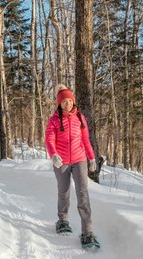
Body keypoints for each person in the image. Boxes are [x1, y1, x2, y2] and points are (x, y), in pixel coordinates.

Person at [45, 84, 99, 248]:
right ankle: (63, 220)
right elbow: (49, 139)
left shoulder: (80, 118)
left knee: (83, 193)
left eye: (69, 100)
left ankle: (88, 232)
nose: (67, 103)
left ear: (73, 101)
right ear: (59, 104)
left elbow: (85, 140)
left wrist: (91, 157)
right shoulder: (54, 120)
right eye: (64, 101)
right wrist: (53, 154)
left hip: (79, 159)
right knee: (64, 191)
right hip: (61, 161)